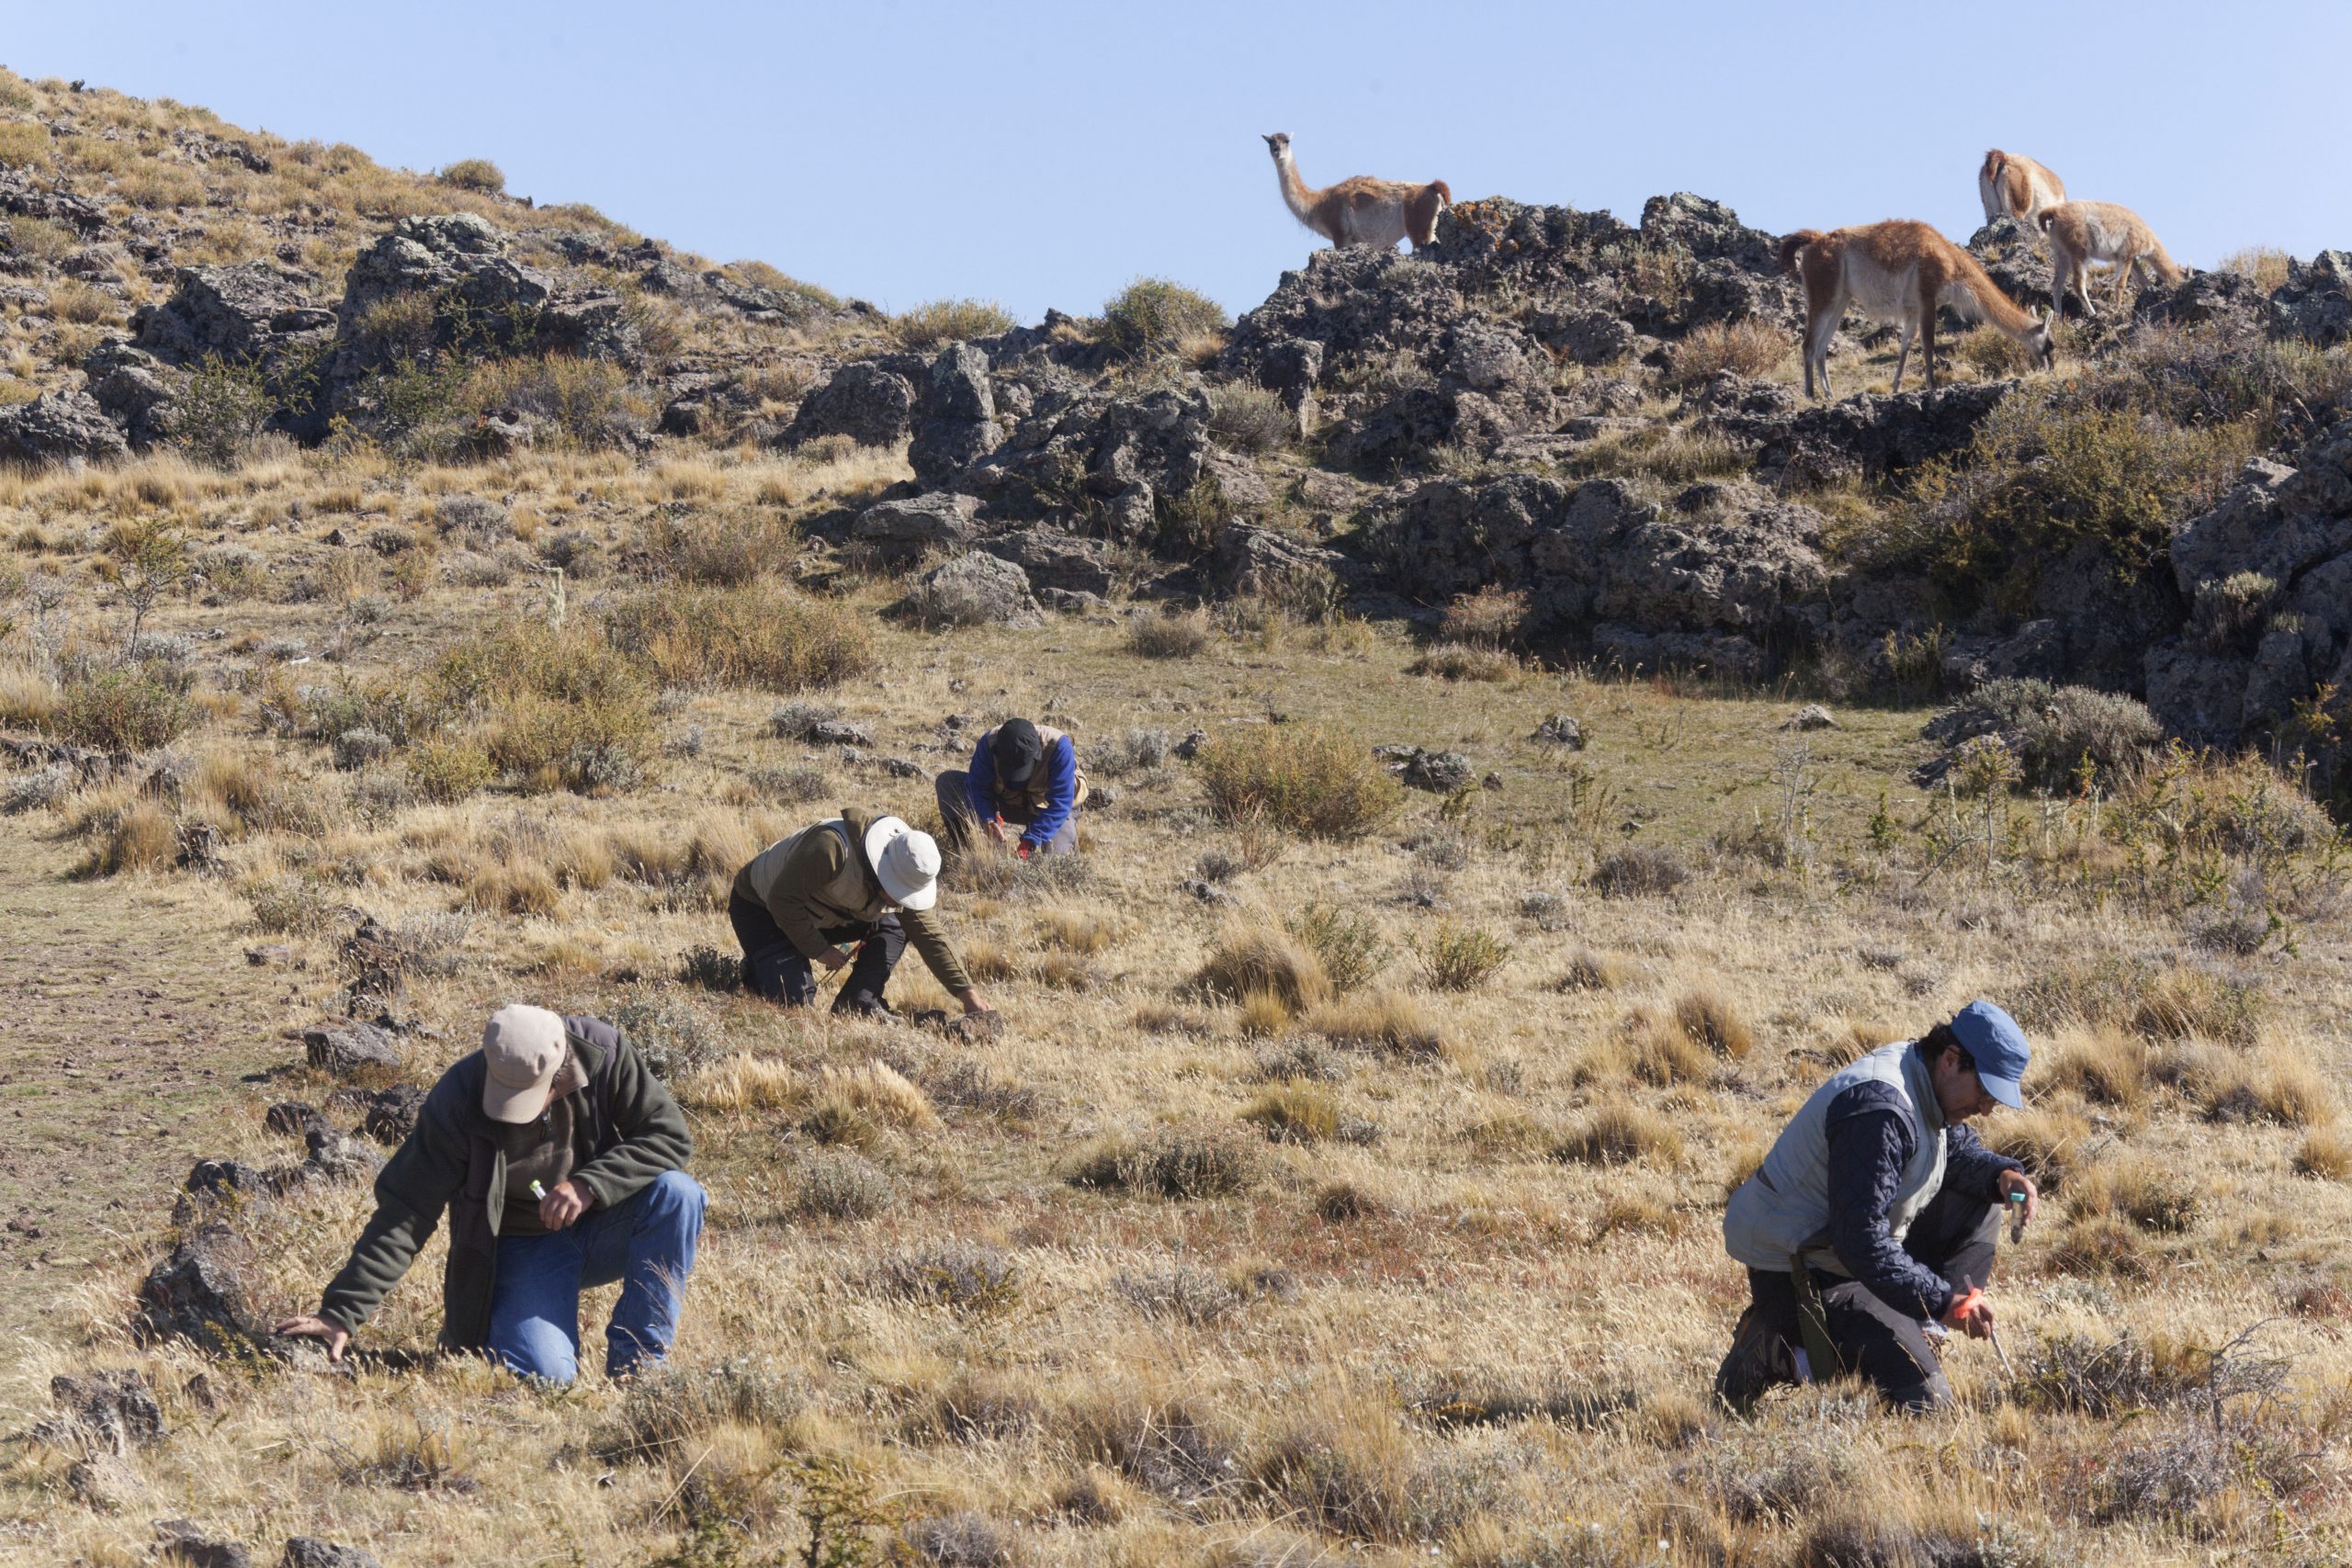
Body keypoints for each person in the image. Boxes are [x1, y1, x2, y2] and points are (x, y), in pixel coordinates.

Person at [274, 1004, 702, 1384]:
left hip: (604, 1227)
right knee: (544, 1375)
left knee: (678, 1194)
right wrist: (341, 1313)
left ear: (560, 1071)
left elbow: (669, 1137)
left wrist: (591, 1185)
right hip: (523, 1248)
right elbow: (406, 1211)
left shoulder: (603, 1053)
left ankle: (640, 1367)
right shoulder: (457, 1097)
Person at [1714, 1000, 2039, 1414]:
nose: (1987, 1109)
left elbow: (1950, 1149)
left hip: (1848, 1252)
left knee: (1983, 1199)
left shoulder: (1925, 1077)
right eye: (1985, 1091)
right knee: (1927, 1404)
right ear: (1952, 1060)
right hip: (1803, 1270)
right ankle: (1775, 1346)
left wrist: (2003, 1176)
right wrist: (1945, 1301)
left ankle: (1921, 1332)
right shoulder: (1880, 1111)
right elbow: (1862, 1243)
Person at [730, 807, 994, 1018]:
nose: (901, 898)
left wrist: (968, 995)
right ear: (882, 870)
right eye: (898, 889)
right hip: (761, 909)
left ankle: (858, 1000)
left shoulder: (904, 870)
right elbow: (782, 900)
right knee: (793, 1005)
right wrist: (819, 949)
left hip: (824, 915)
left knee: (898, 923)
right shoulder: (831, 849)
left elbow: (930, 936)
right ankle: (760, 966)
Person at [934, 716, 1087, 858]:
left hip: (1050, 810)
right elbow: (977, 788)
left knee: (1057, 859)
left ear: (1036, 754)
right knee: (948, 783)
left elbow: (1061, 803)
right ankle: (968, 853)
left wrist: (1030, 840)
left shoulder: (1058, 747)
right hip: (1010, 801)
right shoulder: (989, 744)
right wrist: (988, 819)